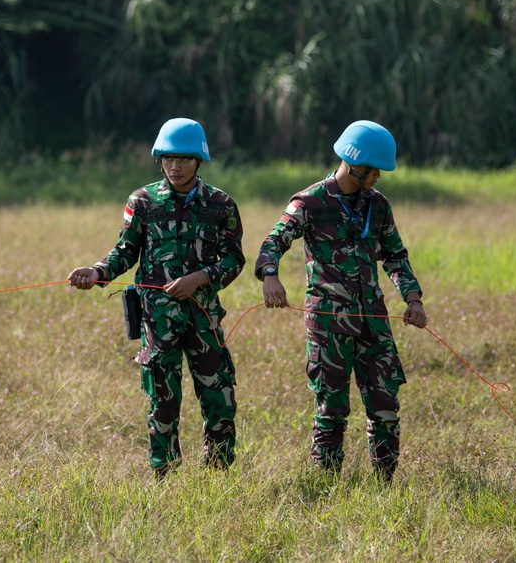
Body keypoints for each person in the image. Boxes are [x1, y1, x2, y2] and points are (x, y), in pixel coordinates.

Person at [67, 118, 245, 478]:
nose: (174, 167)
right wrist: (98, 272)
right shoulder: (143, 201)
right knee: (163, 403)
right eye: (167, 159)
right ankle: (165, 478)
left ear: (198, 160)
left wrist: (198, 279)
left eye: (182, 159)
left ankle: (219, 478)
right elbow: (125, 251)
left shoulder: (220, 205)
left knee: (220, 401)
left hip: (204, 318)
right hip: (159, 321)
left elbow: (234, 259)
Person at [255, 120, 427, 483]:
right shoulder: (310, 201)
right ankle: (327, 484)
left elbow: (395, 255)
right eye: (374, 170)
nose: (378, 177)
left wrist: (412, 298)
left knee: (385, 405)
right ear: (354, 165)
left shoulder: (377, 206)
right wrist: (271, 275)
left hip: (372, 321)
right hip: (328, 324)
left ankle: (385, 485)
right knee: (331, 408)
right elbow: (273, 242)